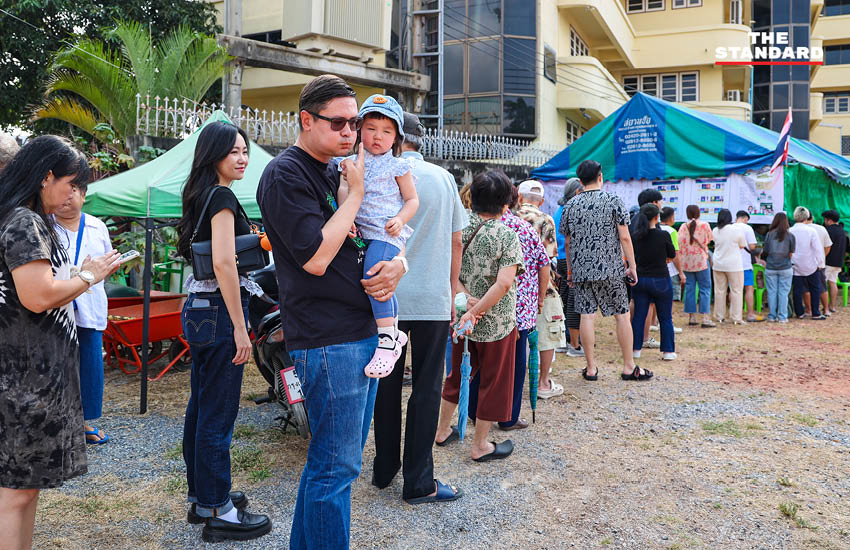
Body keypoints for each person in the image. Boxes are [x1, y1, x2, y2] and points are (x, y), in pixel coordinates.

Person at [257, 75, 406, 550]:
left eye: (354, 123)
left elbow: (373, 233)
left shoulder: (333, 169)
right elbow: (317, 258)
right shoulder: (285, 174)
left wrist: (398, 264)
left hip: (359, 330)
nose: (350, 132)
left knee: (335, 464)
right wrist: (356, 194)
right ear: (306, 119)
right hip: (328, 337)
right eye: (339, 123)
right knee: (335, 467)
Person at [0, 136, 120, 550]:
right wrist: (88, 276)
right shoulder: (24, 221)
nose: (72, 195)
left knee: (25, 488)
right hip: (24, 378)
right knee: (15, 492)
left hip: (27, 374)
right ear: (46, 177)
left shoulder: (23, 217)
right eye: (70, 184)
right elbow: (37, 296)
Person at [175, 121, 271, 542]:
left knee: (202, 406)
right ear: (213, 154)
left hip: (198, 308)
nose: (242, 157)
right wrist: (240, 326)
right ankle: (218, 510)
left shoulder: (200, 193)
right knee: (218, 412)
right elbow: (223, 262)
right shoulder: (222, 196)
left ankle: (204, 496)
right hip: (218, 310)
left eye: (245, 150)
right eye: (234, 151)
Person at [371, 112, 466, 504]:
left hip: (385, 296)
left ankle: (383, 468)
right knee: (426, 387)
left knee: (385, 385)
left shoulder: (377, 173)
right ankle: (419, 481)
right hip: (430, 297)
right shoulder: (442, 178)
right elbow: (456, 241)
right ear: (421, 140)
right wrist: (451, 292)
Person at [434, 170, 524, 462]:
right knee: (493, 382)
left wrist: (467, 305)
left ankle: (442, 430)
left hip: (462, 317)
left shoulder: (459, 228)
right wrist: (477, 310)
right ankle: (480, 445)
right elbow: (504, 284)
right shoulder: (507, 235)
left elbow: (451, 273)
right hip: (496, 322)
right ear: (505, 202)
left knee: (457, 375)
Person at [339, 94, 419, 377]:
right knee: (379, 281)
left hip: (386, 232)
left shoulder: (398, 165)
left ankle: (386, 342)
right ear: (359, 128)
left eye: (386, 131)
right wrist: (345, 217)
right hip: (361, 233)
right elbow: (344, 190)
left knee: (375, 276)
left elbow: (412, 200)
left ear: (396, 137)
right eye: (371, 128)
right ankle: (394, 332)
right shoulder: (348, 162)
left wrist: (400, 219)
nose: (377, 136)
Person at [560, 160, 651, 382]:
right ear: (600, 177)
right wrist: (632, 266)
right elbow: (625, 237)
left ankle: (591, 368)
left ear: (580, 181)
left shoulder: (570, 206)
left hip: (582, 270)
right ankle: (628, 366)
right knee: (622, 316)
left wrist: (570, 271)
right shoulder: (613, 200)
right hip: (611, 269)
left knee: (586, 316)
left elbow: (568, 242)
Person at [468, 185, 549, 427]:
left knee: (479, 361)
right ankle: (507, 417)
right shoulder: (523, 229)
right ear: (512, 202)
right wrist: (540, 299)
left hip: (477, 304)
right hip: (518, 308)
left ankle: (473, 410)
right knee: (513, 365)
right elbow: (543, 264)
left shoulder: (470, 226)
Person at [54, 182, 113, 444]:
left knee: (89, 364)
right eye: (61, 191)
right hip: (56, 304)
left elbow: (107, 262)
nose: (66, 198)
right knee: (57, 364)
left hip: (88, 305)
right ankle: (58, 423)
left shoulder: (97, 226)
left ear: (84, 195)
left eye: (72, 192)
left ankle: (84, 422)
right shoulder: (43, 224)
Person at [516, 179, 566, 399]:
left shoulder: (509, 217)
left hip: (512, 286)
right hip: (540, 285)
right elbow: (548, 258)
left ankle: (513, 381)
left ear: (519, 197)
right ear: (542, 201)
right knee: (547, 332)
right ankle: (543, 383)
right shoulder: (545, 220)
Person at [630, 204, 677, 360]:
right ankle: (668, 351)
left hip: (640, 279)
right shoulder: (663, 235)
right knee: (665, 317)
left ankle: (635, 349)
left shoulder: (636, 236)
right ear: (657, 217)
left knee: (639, 316)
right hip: (661, 279)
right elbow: (672, 254)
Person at [553, 178, 584, 357]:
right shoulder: (572, 211)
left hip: (560, 259)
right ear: (577, 192)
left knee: (564, 300)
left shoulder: (559, 210)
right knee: (574, 301)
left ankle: (563, 341)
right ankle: (574, 345)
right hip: (571, 259)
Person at [677, 205, 715, 327]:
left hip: (687, 262)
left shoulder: (683, 227)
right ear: (698, 213)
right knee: (705, 288)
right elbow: (710, 239)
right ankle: (705, 318)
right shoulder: (705, 225)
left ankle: (692, 317)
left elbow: (679, 243)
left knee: (690, 288)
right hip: (701, 261)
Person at [711, 209, 748, 324]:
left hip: (718, 264)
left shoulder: (715, 230)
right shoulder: (736, 230)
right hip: (734, 265)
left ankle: (719, 316)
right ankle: (736, 318)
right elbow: (742, 245)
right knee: (736, 291)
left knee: (719, 290)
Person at [789, 206, 826, 320]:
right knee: (815, 288)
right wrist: (820, 263)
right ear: (807, 216)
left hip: (794, 264)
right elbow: (818, 249)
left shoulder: (789, 230)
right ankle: (815, 312)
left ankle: (799, 313)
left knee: (797, 289)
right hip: (810, 264)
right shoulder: (811, 231)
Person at [761, 212, 795, 322]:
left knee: (772, 292)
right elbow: (791, 253)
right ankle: (782, 317)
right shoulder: (790, 236)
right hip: (785, 267)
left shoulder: (769, 235)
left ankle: (772, 316)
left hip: (771, 267)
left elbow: (766, 251)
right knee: (783, 293)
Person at [735, 211, 763, 322]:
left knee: (734, 290)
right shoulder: (748, 228)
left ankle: (735, 314)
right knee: (749, 288)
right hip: (745, 264)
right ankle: (750, 314)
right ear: (745, 219)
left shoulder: (730, 228)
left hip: (733, 264)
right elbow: (752, 246)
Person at [805, 213, 832, 317]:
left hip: (804, 263)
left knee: (806, 288)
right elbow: (828, 246)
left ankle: (809, 310)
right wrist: (822, 257)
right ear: (812, 218)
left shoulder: (798, 229)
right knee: (822, 287)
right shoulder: (821, 228)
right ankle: (826, 309)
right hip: (819, 263)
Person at [822, 210, 847, 312]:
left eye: (825, 219)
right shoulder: (842, 231)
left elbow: (825, 246)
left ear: (829, 220)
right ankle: (832, 306)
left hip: (828, 262)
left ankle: (825, 308)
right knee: (833, 283)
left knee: (822, 284)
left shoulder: (828, 231)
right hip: (838, 262)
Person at [659, 207, 685, 304]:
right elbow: (675, 255)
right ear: (671, 218)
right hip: (671, 271)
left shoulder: (656, 228)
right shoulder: (672, 231)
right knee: (669, 301)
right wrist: (681, 272)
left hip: (657, 270)